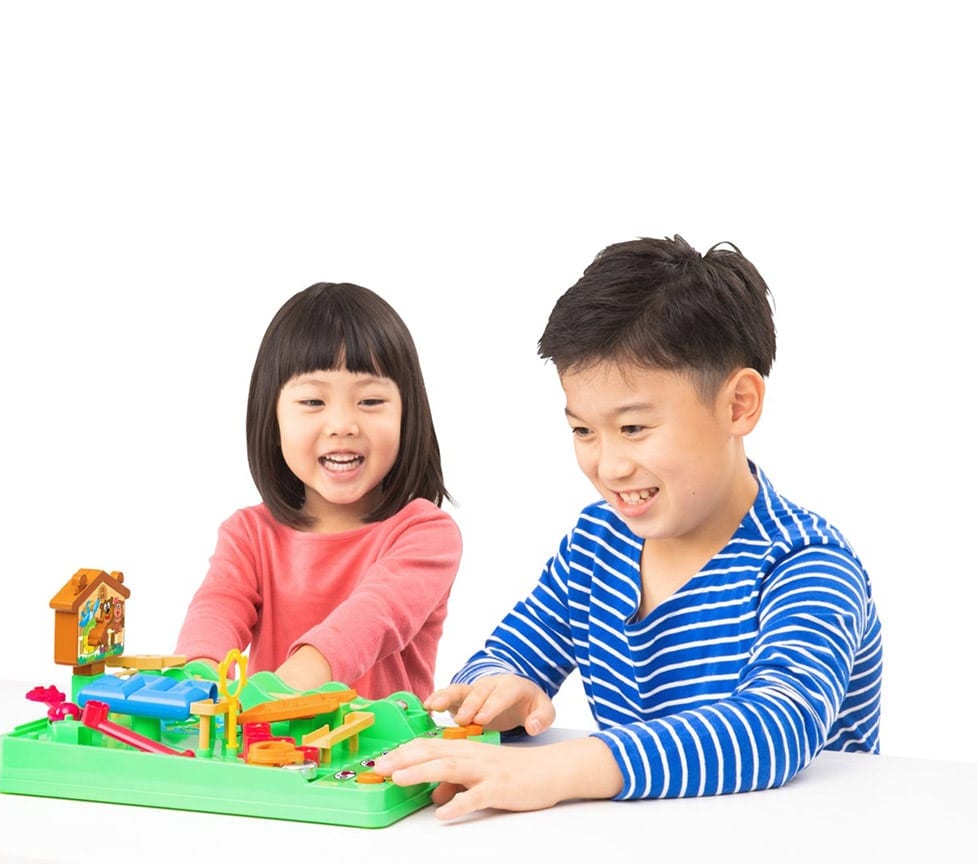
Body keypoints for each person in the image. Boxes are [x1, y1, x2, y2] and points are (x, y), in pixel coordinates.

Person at [376, 235, 882, 820]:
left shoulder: (807, 561)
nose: (609, 467)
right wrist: (499, 695)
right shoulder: (597, 544)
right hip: (640, 857)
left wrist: (558, 770)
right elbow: (501, 658)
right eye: (583, 431)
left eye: (634, 428)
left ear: (738, 405)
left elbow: (777, 726)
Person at [176, 282, 461, 701]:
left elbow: (368, 622)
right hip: (265, 742)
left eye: (370, 401)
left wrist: (274, 694)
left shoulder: (426, 534)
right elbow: (216, 609)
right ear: (272, 418)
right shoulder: (248, 534)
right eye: (313, 402)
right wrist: (195, 681)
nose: (342, 424)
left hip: (378, 744)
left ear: (408, 414)